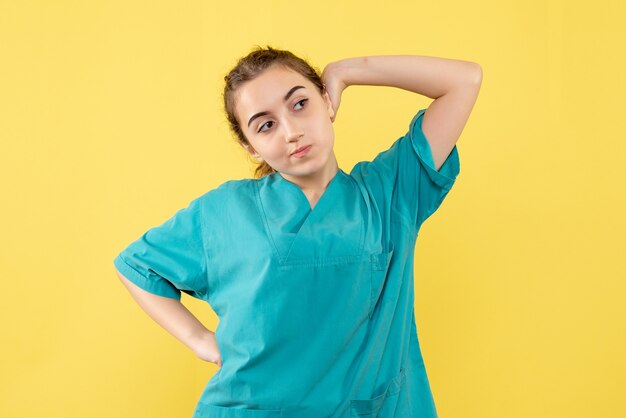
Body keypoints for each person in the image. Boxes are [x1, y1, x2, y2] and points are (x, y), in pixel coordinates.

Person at [113, 46, 482, 418]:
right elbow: (138, 266)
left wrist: (346, 71)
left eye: (300, 104)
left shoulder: (389, 193)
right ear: (250, 147)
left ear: (326, 101)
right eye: (265, 125)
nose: (292, 131)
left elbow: (464, 81)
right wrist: (199, 341)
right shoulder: (224, 211)